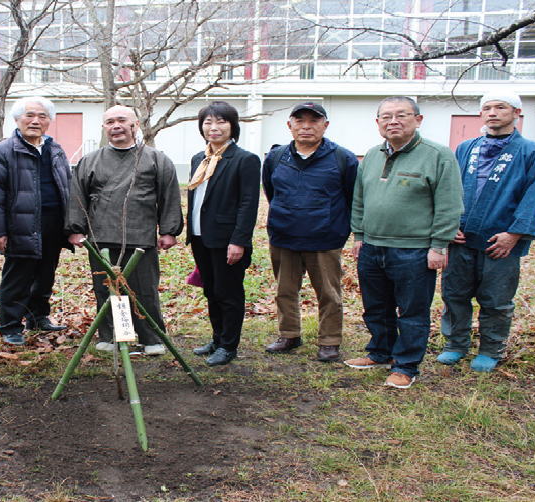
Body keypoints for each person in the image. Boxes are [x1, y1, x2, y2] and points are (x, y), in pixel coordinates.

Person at [344, 96, 463, 389]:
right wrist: (359, 235)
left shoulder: (438, 154)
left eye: (401, 115)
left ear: (418, 119)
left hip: (415, 249)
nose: (392, 121)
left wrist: (439, 245)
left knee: (411, 311)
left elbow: (449, 203)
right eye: (386, 116)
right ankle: (380, 352)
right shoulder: (372, 155)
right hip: (372, 246)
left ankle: (406, 365)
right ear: (377, 123)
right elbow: (359, 198)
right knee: (376, 306)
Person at [438, 92, 535, 372]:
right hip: (462, 237)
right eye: (487, 108)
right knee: (455, 294)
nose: (492, 113)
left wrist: (514, 235)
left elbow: (534, 195)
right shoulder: (466, 148)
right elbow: (449, 190)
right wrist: (449, 225)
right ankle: (455, 344)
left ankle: (490, 348)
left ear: (517, 112)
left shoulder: (532, 151)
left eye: (501, 107)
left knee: (496, 299)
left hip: (500, 240)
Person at [66, 105, 183, 356]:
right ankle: (114, 337)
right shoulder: (90, 160)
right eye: (109, 122)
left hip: (140, 235)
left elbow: (169, 195)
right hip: (101, 235)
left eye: (121, 120)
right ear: (104, 127)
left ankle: (150, 338)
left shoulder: (156, 158)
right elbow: (77, 197)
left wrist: (169, 230)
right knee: (106, 289)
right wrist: (75, 229)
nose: (115, 126)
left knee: (144, 289)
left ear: (135, 125)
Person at [261, 102, 358, 362]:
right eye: (299, 120)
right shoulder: (276, 157)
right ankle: (289, 334)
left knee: (328, 292)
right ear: (289, 125)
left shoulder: (342, 158)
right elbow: (272, 192)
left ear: (325, 125)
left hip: (325, 238)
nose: (306, 126)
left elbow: (351, 198)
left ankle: (329, 341)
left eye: (314, 121)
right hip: (284, 235)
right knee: (285, 290)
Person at [0, 96, 72, 345]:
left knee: (46, 273)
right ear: (17, 119)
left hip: (53, 222)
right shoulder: (1, 152)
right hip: (19, 225)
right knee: (18, 277)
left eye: (42, 116)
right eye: (29, 115)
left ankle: (37, 317)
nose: (35, 121)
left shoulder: (55, 149)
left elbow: (67, 186)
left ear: (49, 122)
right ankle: (10, 326)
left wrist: (71, 224)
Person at [186, 101, 260, 366]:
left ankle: (229, 346)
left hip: (227, 240)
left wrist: (239, 240)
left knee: (228, 293)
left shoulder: (245, 160)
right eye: (208, 122)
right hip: (200, 236)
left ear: (232, 126)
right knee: (211, 291)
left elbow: (248, 204)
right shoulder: (200, 158)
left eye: (221, 122)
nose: (214, 128)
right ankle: (217, 339)